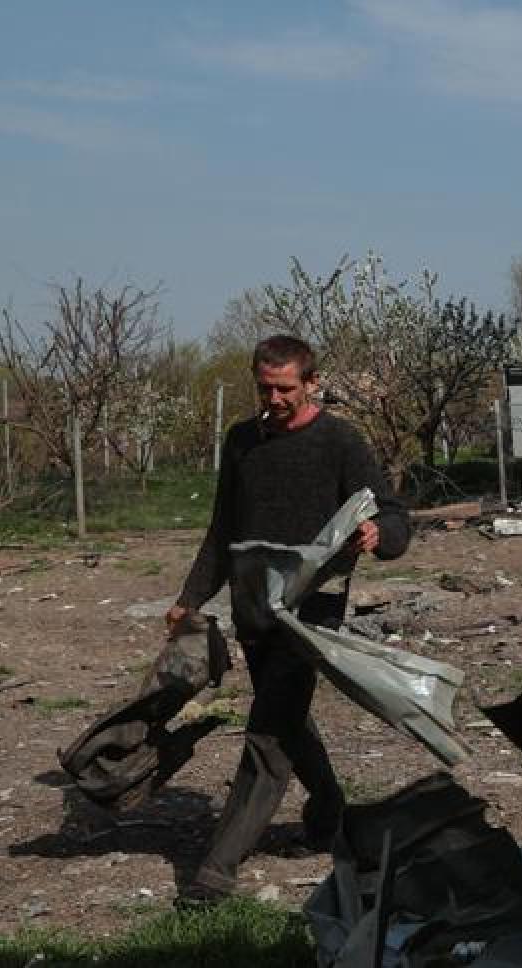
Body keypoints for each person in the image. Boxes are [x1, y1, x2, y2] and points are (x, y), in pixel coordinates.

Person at [167, 334, 409, 903]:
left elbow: (393, 513)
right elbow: (222, 529)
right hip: (253, 604)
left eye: (284, 388)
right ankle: (328, 810)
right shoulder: (242, 443)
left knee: (270, 730)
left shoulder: (339, 441)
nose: (272, 397)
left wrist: (381, 535)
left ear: (311, 384)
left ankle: (216, 869)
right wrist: (191, 598)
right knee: (289, 717)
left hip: (312, 609)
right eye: (264, 386)